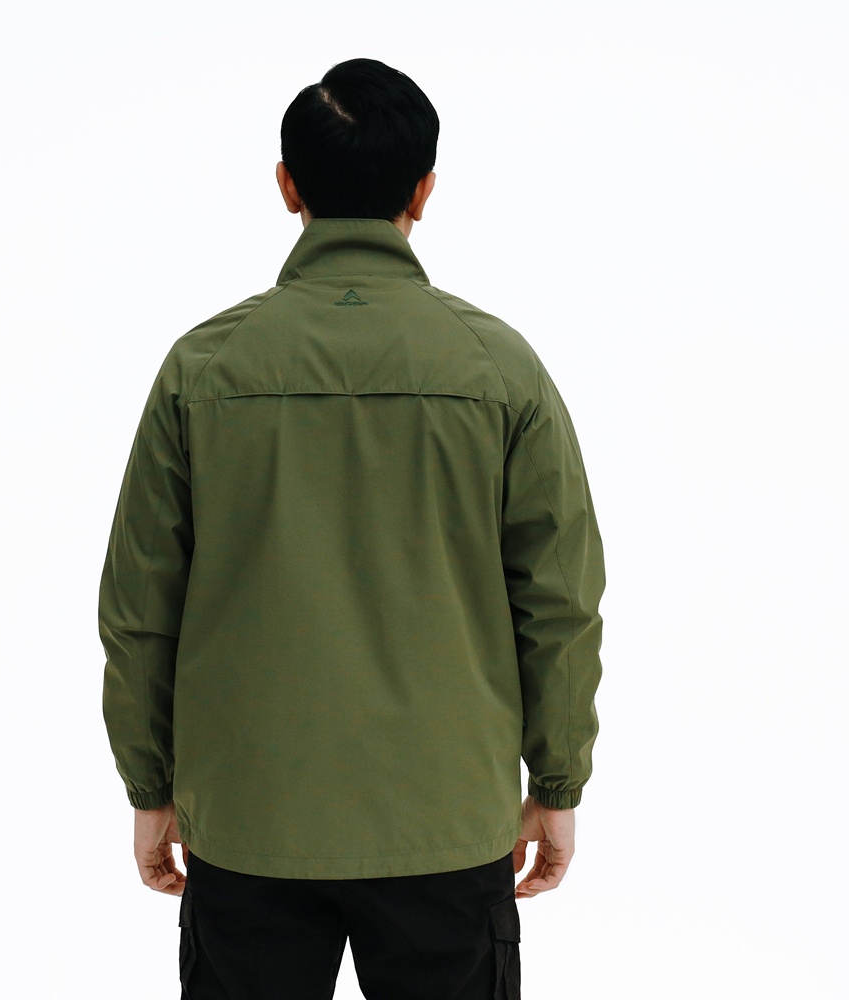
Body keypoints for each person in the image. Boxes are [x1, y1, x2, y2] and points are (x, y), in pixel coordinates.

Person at [100, 57, 604, 1000]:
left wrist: (150, 786)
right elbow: (561, 603)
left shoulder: (202, 369)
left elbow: (139, 609)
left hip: (248, 819)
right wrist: (557, 782)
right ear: (425, 192)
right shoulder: (500, 369)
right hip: (445, 819)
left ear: (287, 185)